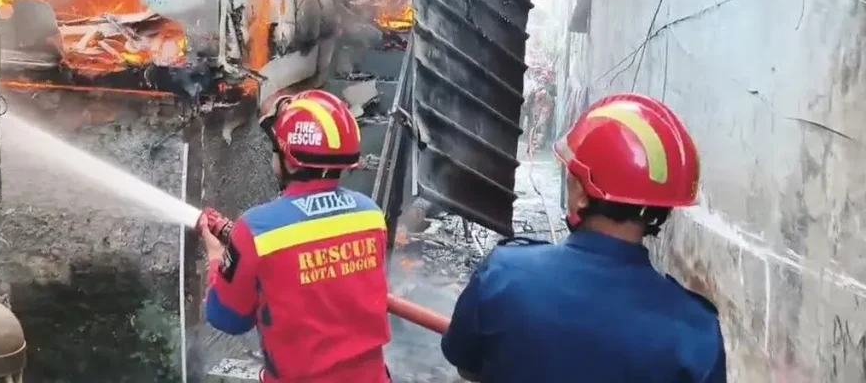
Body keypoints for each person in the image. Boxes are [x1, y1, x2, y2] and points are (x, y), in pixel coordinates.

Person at [441, 93, 727, 382]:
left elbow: (467, 366)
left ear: (580, 195)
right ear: (661, 209)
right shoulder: (696, 332)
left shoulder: (503, 274)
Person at [198, 89, 392, 382]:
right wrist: (236, 239)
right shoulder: (371, 215)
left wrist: (216, 259)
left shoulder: (258, 230)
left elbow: (227, 318)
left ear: (288, 158)